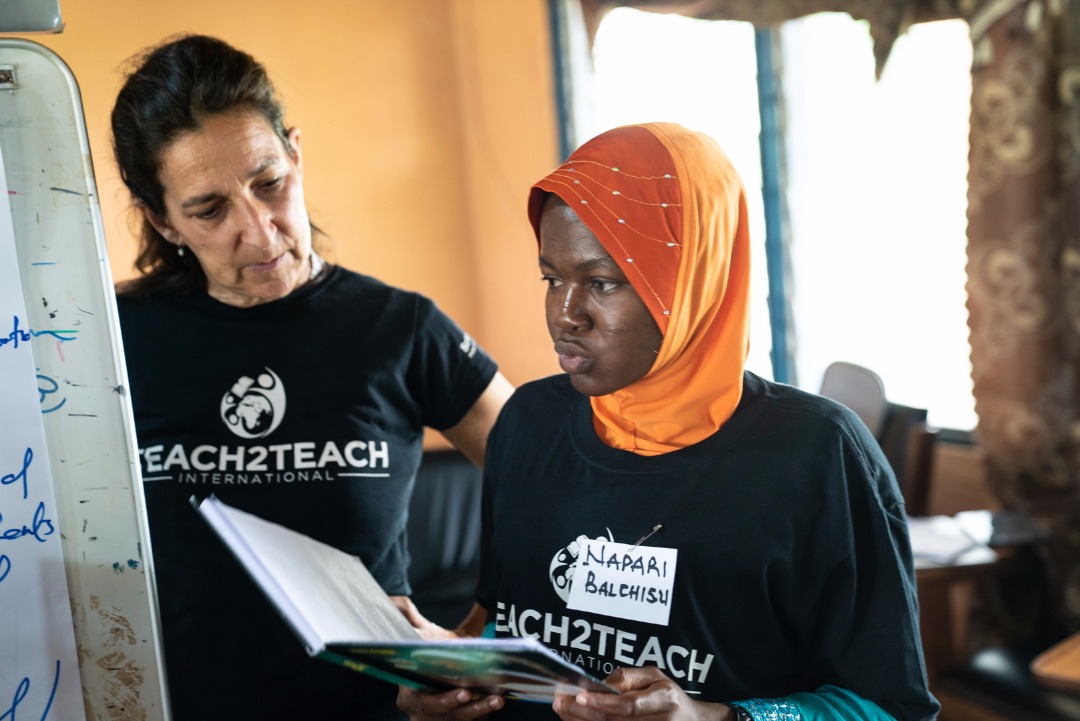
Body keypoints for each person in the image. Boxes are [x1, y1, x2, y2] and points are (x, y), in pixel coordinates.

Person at [397, 123, 940, 721]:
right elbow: (511, 620)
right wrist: (454, 679)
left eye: (601, 282)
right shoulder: (529, 423)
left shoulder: (816, 456)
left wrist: (715, 718)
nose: (565, 314)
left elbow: (888, 708)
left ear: (692, 281)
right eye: (552, 279)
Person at [109, 34, 513, 720]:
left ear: (296, 152)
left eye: (270, 182)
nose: (261, 233)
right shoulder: (115, 337)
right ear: (160, 218)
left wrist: (488, 631)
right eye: (210, 209)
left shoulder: (401, 328)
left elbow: (554, 479)